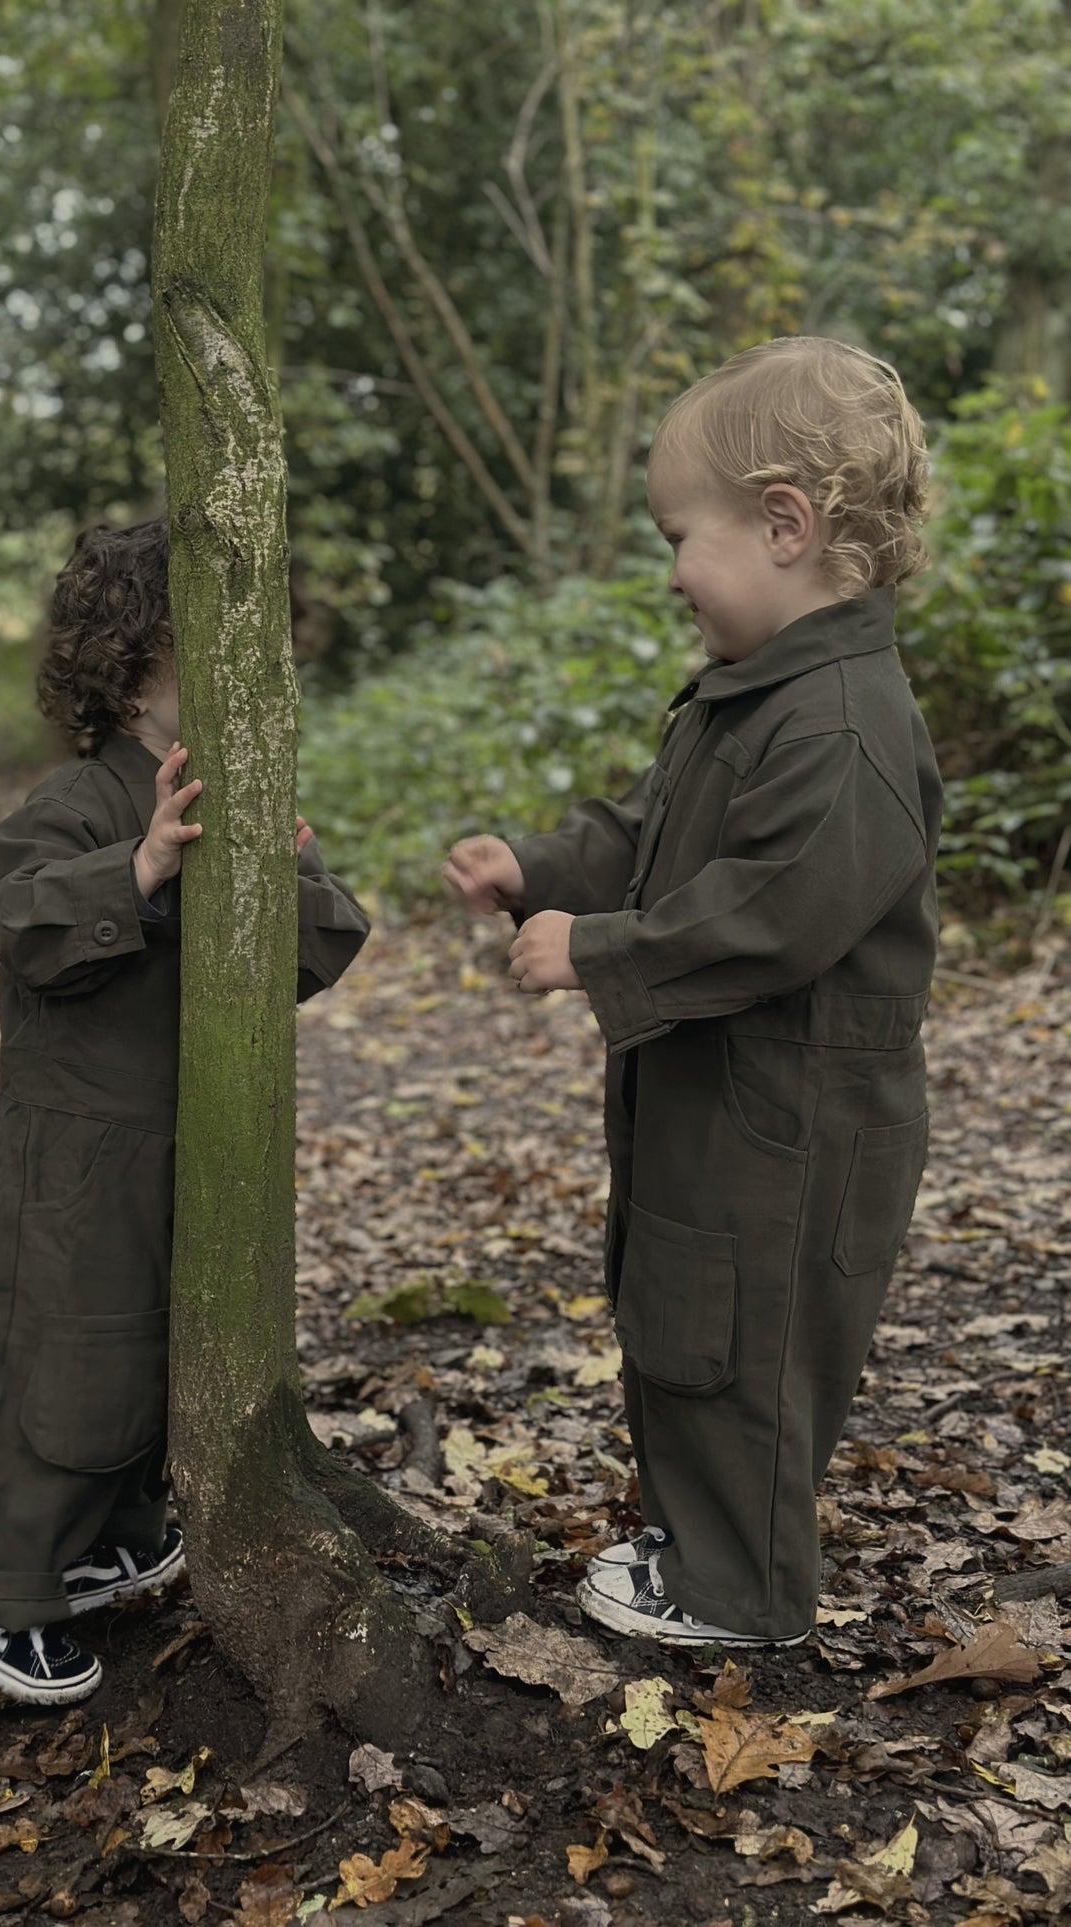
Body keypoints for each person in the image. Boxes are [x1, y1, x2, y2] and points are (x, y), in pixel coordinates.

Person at [444, 337, 942, 1648]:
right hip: (715, 1095)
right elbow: (660, 834)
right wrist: (537, 868)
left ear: (785, 524)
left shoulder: (842, 723)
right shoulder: (752, 696)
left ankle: (742, 1592)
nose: (669, 572)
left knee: (747, 1345)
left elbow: (773, 912)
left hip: (795, 1125)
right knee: (677, 1312)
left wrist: (598, 947)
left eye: (679, 537)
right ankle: (697, 1541)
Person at [0, 518, 371, 1702]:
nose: (250, 664)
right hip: (77, 1154)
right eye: (211, 642)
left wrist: (288, 872)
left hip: (188, 1143)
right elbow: (26, 919)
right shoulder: (66, 808)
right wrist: (141, 868)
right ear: (131, 659)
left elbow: (318, 947)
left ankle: (111, 1531)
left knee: (149, 1352)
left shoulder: (229, 793)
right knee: (57, 1360)